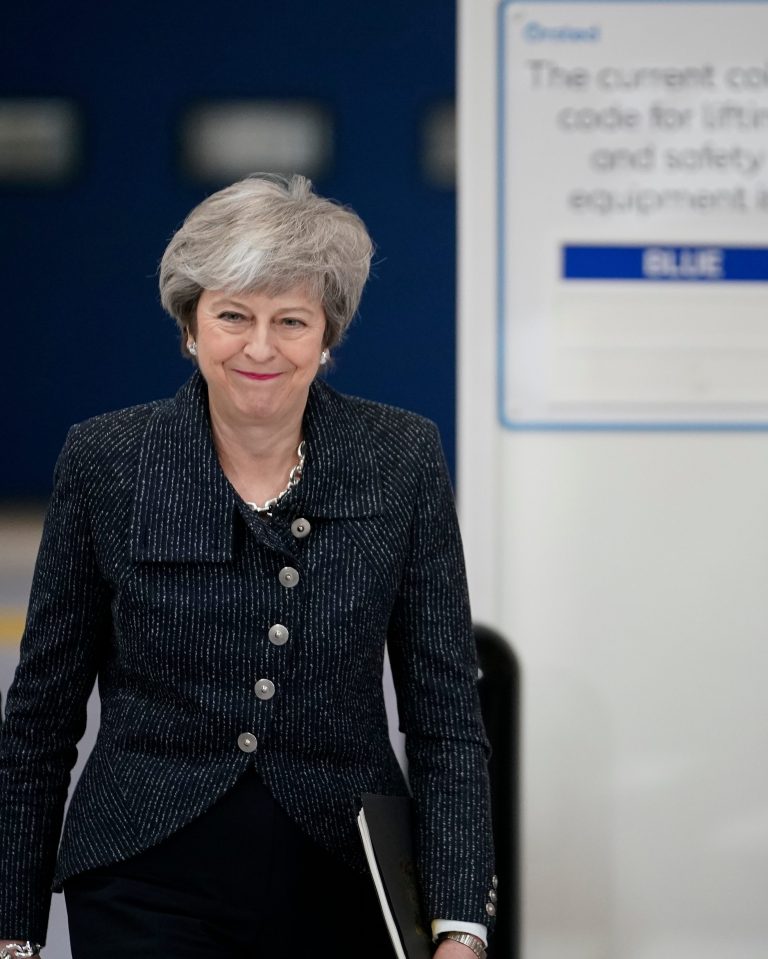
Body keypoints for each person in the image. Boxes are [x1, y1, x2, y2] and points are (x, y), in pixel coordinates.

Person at [0, 174, 496, 959]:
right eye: (232, 316)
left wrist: (460, 923)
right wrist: (13, 931)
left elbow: (444, 719)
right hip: (142, 875)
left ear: (326, 336)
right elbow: (40, 719)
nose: (259, 347)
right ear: (191, 327)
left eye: (290, 321)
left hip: (342, 870)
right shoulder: (108, 461)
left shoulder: (399, 458)